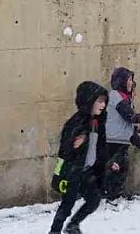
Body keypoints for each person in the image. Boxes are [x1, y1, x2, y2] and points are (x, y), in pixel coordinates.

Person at [49, 82, 110, 234]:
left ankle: (73, 225)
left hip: (86, 171)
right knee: (67, 205)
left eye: (104, 101)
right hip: (73, 171)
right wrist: (58, 175)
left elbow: (100, 147)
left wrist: (108, 163)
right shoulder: (75, 123)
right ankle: (54, 231)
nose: (103, 105)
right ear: (88, 101)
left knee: (94, 200)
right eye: (99, 101)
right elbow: (63, 152)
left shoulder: (98, 121)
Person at [103, 67, 140, 203]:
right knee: (115, 169)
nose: (131, 83)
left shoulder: (123, 97)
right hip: (113, 142)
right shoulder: (116, 96)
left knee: (121, 168)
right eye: (129, 80)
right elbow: (130, 117)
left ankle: (116, 195)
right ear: (121, 81)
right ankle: (111, 196)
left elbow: (127, 126)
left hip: (120, 141)